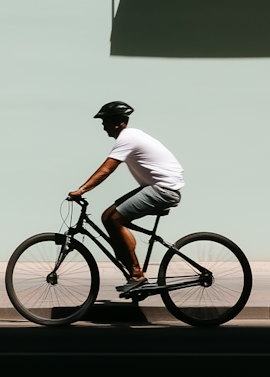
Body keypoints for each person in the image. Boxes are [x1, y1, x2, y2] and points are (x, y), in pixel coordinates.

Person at [68, 101, 184, 292]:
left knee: (113, 218)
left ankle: (137, 275)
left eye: (105, 121)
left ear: (118, 122)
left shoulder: (127, 138)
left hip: (163, 190)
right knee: (107, 217)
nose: (103, 126)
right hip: (159, 187)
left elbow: (107, 169)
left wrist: (82, 189)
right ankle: (132, 267)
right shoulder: (131, 136)